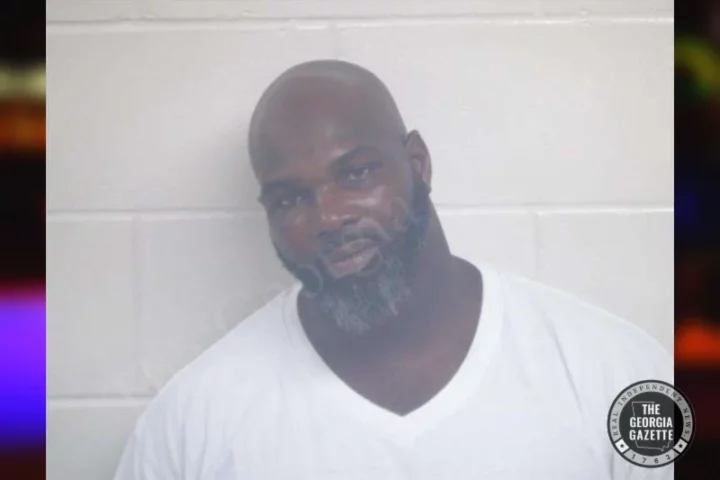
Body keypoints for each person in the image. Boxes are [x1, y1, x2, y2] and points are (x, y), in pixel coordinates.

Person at [114, 60, 672, 479]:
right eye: (289, 199)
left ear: (417, 164)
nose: (329, 217)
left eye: (356, 173)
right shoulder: (191, 425)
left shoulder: (614, 374)